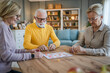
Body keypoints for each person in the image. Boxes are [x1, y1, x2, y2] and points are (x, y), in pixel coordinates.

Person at [0, 0, 43, 73]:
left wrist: (28, 51)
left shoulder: (7, 27)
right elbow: (7, 56)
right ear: (8, 13)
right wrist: (32, 56)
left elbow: (12, 51)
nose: (19, 18)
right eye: (17, 15)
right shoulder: (3, 27)